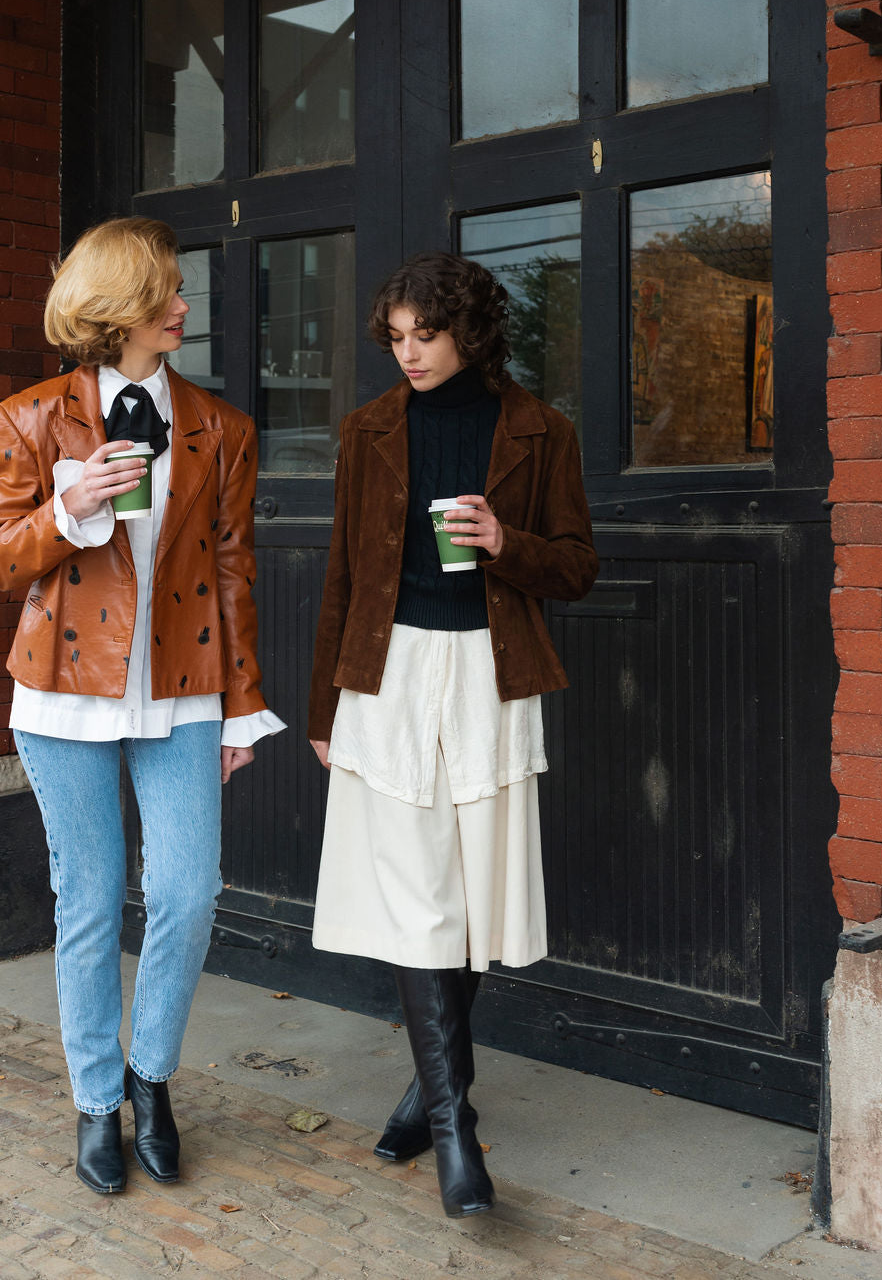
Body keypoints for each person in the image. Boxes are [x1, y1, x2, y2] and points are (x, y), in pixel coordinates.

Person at [0, 217, 284, 1195]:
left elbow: (232, 573)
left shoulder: (221, 428)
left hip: (184, 684)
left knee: (189, 892)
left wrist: (243, 711)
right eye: (167, 295)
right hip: (62, 695)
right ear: (119, 308)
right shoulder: (25, 419)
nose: (183, 307)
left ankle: (152, 1078)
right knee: (92, 898)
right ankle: (94, 1100)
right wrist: (70, 510)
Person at [307, 251, 598, 1217]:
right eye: (393, 338)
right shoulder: (369, 431)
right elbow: (343, 576)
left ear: (468, 331)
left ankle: (430, 1088)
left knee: (472, 900)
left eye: (422, 335)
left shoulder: (538, 432)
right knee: (422, 895)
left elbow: (577, 567)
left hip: (489, 672)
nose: (408, 355)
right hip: (386, 679)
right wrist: (323, 710)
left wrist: (507, 546)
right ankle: (451, 1129)